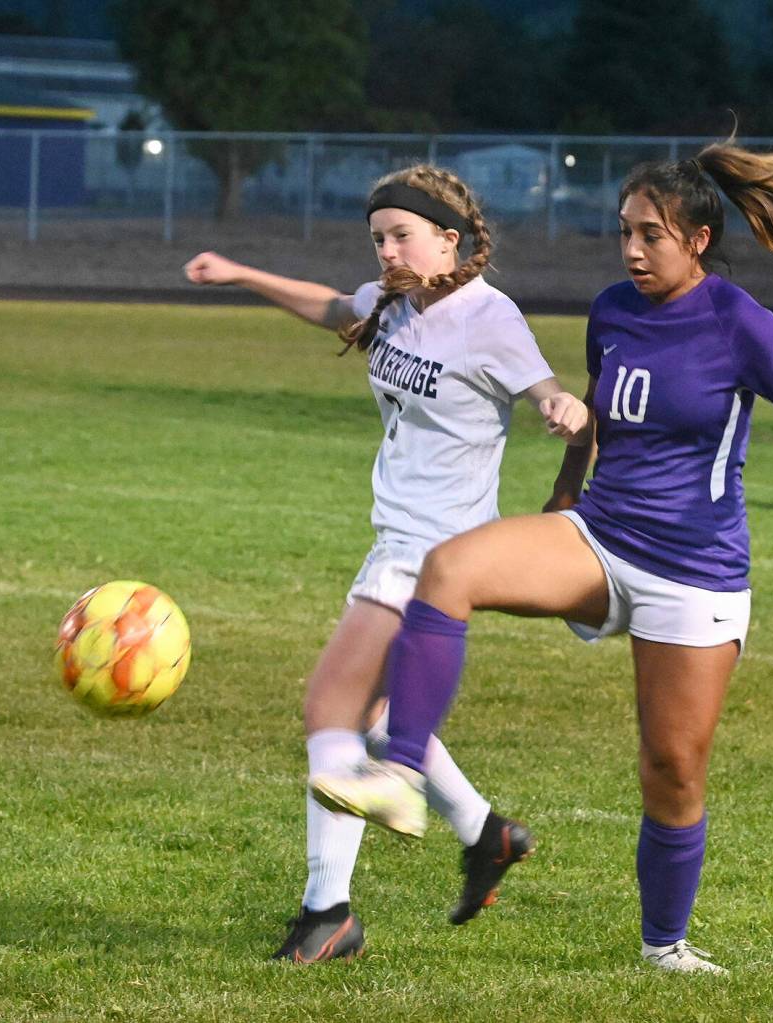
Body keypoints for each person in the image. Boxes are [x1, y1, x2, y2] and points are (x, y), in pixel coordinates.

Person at [310, 138, 773, 974]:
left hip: (694, 570)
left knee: (671, 767)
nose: (633, 251)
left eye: (652, 235)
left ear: (697, 241)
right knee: (448, 567)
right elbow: (599, 415)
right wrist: (566, 491)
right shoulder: (612, 308)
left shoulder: (736, 320)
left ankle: (664, 943)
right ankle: (401, 766)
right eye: (625, 232)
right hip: (599, 538)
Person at [184, 164, 590, 964]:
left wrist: (560, 405)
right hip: (395, 537)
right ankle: (485, 832)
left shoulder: (488, 316)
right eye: (378, 238)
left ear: (452, 240)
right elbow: (331, 305)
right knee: (372, 716)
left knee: (329, 706)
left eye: (403, 235)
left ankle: (326, 913)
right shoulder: (392, 305)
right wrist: (237, 274)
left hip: (436, 550)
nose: (388, 251)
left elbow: (548, 391)